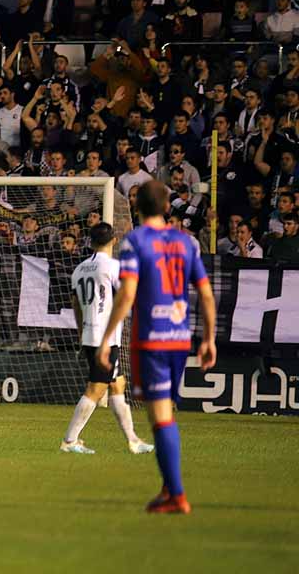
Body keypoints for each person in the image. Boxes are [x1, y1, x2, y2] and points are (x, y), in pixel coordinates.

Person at [97, 181, 216, 514]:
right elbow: (206, 294)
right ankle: (168, 487)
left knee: (160, 416)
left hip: (151, 339)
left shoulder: (135, 242)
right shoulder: (186, 243)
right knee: (166, 412)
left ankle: (177, 495)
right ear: (167, 208)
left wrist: (106, 339)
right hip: (180, 338)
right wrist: (208, 339)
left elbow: (129, 293)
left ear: (138, 207)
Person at [60, 222, 155, 456]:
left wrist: (81, 329)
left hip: (89, 334)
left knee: (117, 384)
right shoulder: (113, 267)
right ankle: (69, 440)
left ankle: (133, 440)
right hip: (106, 338)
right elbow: (127, 297)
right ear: (114, 240)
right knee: (96, 388)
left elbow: (75, 304)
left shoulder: (79, 269)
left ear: (90, 242)